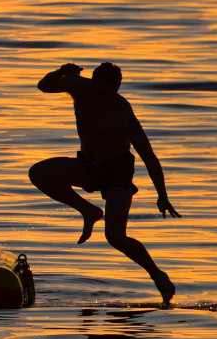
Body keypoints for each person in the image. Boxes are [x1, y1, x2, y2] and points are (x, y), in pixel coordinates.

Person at [29, 61, 182, 303]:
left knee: (116, 237)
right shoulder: (79, 86)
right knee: (38, 172)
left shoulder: (122, 112)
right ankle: (88, 211)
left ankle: (158, 276)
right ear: (92, 83)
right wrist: (61, 72)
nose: (106, 99)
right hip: (89, 165)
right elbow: (43, 86)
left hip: (117, 172)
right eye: (102, 93)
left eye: (112, 93)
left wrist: (162, 195)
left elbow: (149, 157)